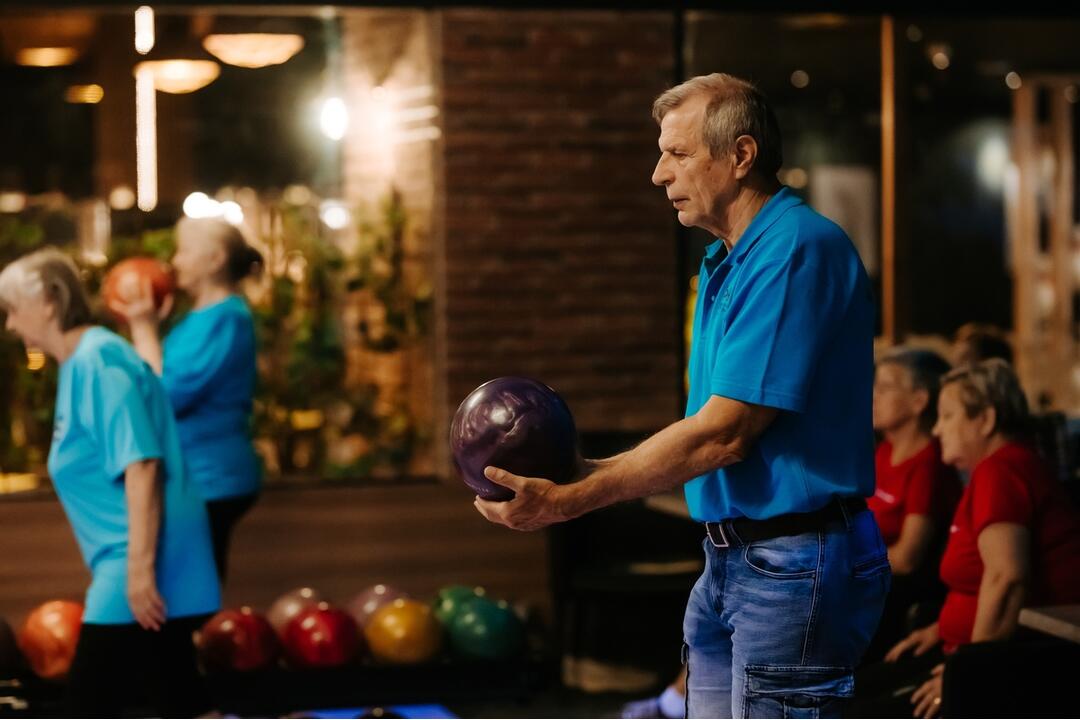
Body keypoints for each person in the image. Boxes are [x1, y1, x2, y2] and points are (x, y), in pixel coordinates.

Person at [474, 73, 889, 718]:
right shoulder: (728, 259)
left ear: (741, 155)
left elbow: (726, 434)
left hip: (793, 560)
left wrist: (575, 497)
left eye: (678, 153)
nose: (658, 173)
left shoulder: (794, 249)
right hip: (733, 556)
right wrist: (581, 474)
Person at [0, 248, 219, 717]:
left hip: (138, 563)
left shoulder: (97, 360)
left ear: (49, 302)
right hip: (135, 559)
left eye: (13, 309)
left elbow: (143, 464)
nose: (11, 325)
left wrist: (139, 571)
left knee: (89, 704)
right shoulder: (84, 362)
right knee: (177, 698)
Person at [853, 359, 1080, 718]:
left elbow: (1007, 580)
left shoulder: (1002, 471)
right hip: (963, 647)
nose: (938, 429)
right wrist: (942, 627)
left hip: (1018, 662)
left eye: (948, 416)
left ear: (985, 420)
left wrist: (966, 674)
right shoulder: (994, 469)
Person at [109, 217, 262, 582]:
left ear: (215, 259)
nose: (175, 261)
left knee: (192, 589)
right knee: (187, 586)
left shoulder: (227, 319)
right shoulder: (198, 319)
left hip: (211, 477)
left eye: (185, 250)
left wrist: (143, 329)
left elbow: (165, 395)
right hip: (193, 475)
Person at [864, 348, 961, 662]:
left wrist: (847, 561)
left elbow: (907, 558)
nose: (873, 396)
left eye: (885, 387)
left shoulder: (928, 464)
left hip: (896, 596)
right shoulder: (883, 452)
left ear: (919, 401)